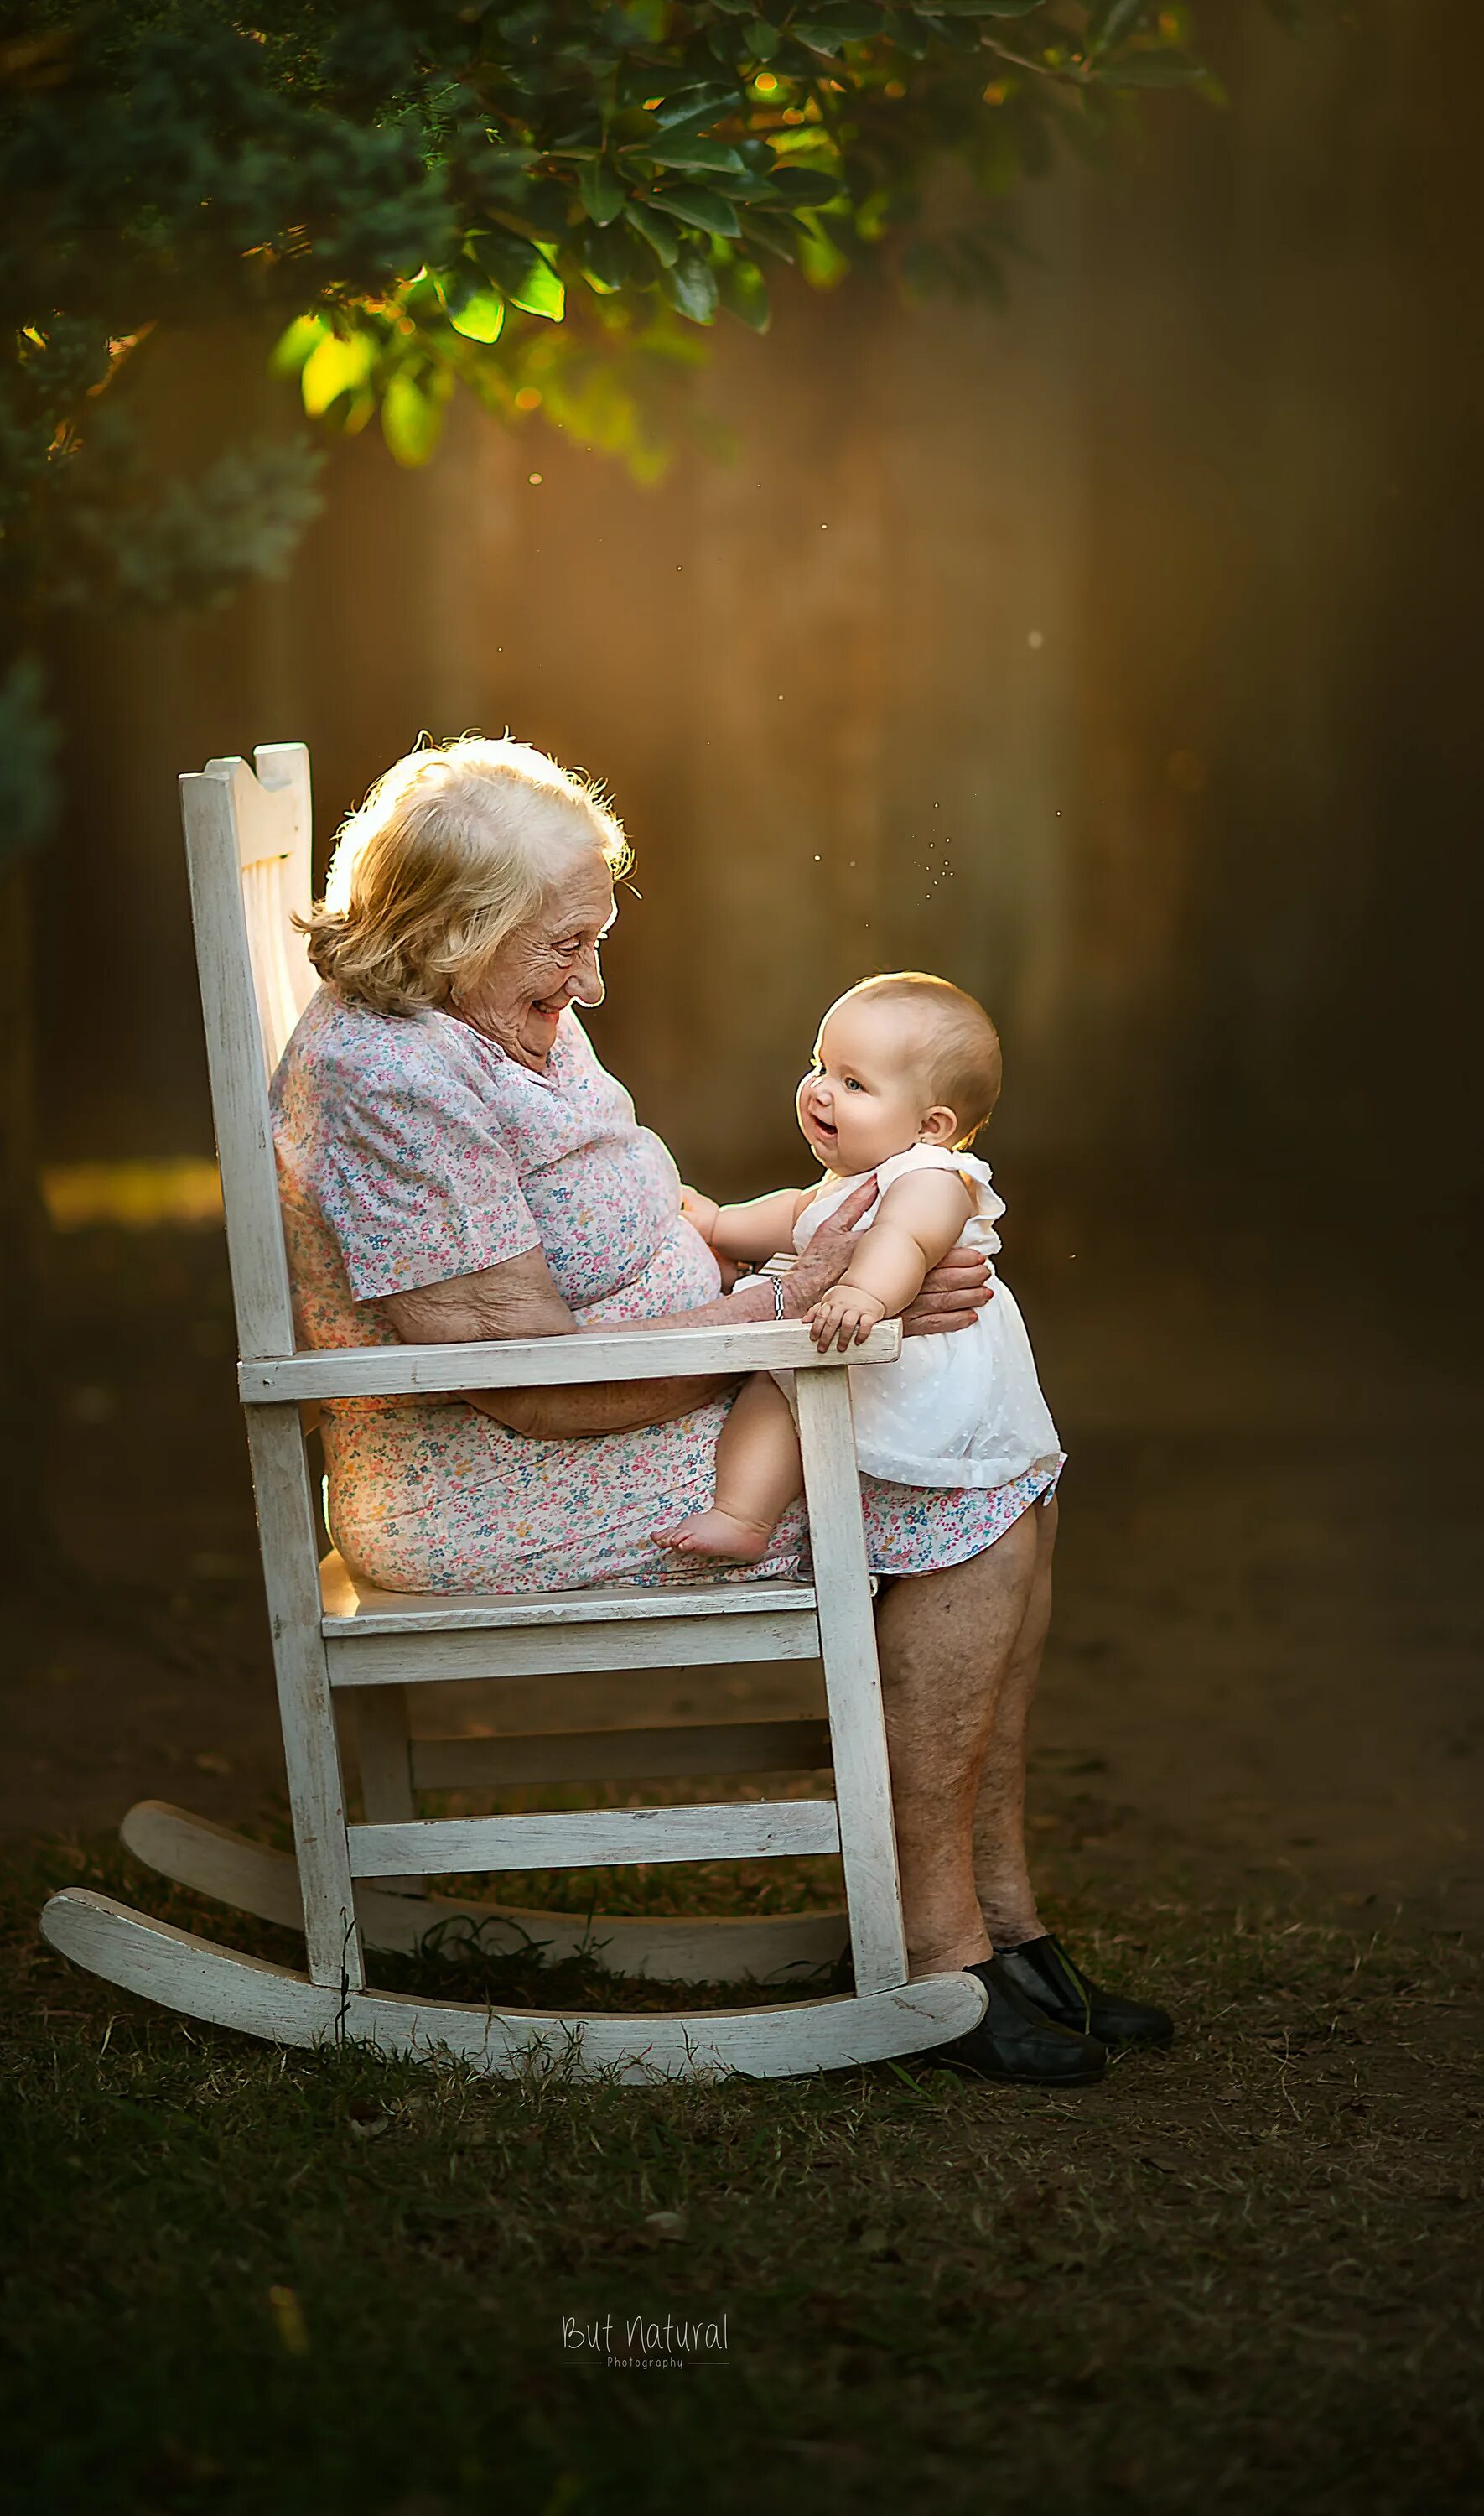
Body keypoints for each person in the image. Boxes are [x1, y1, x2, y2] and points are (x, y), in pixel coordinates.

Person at [272, 736, 1170, 2082]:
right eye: (563, 947)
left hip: (649, 1391)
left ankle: (1003, 1921)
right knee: (960, 1490)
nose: (592, 980)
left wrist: (815, 1260)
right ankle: (940, 1959)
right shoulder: (392, 1079)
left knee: (1008, 1477)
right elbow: (519, 1381)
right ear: (452, 930)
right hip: (491, 1479)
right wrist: (800, 1303)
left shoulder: (478, 1010)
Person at [662, 972, 1062, 1564]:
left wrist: (864, 1292)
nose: (820, 1091)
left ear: (932, 1126)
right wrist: (719, 1224)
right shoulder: (849, 1181)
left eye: (853, 1083)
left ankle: (763, 1513)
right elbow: (792, 1214)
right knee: (773, 1393)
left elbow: (907, 1239)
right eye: (820, 1066)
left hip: (910, 1357)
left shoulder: (930, 1175)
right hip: (847, 1343)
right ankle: (743, 1514)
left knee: (781, 1390)